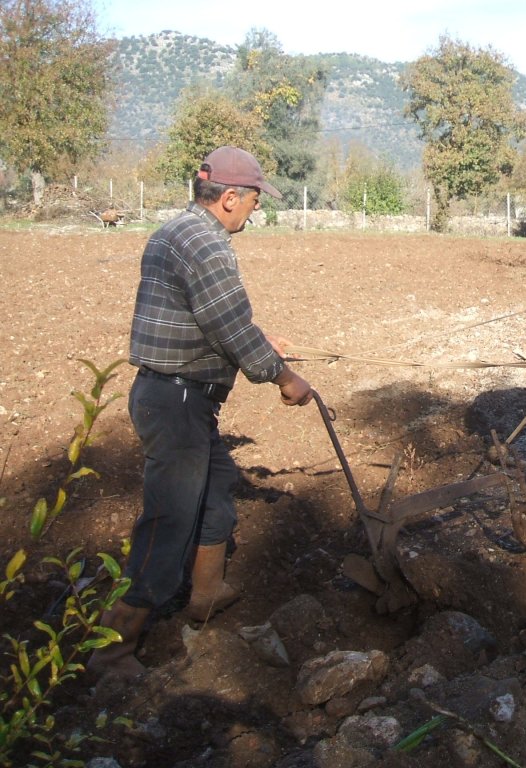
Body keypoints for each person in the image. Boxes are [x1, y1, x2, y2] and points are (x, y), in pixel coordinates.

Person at [88, 146, 313, 679]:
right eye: (254, 201)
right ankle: (113, 647)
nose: (255, 212)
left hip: (173, 396)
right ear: (230, 197)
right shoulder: (208, 245)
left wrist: (261, 340)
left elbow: (213, 319)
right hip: (179, 400)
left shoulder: (176, 232)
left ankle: (206, 594)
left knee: (216, 491)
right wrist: (285, 378)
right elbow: (229, 327)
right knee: (167, 523)